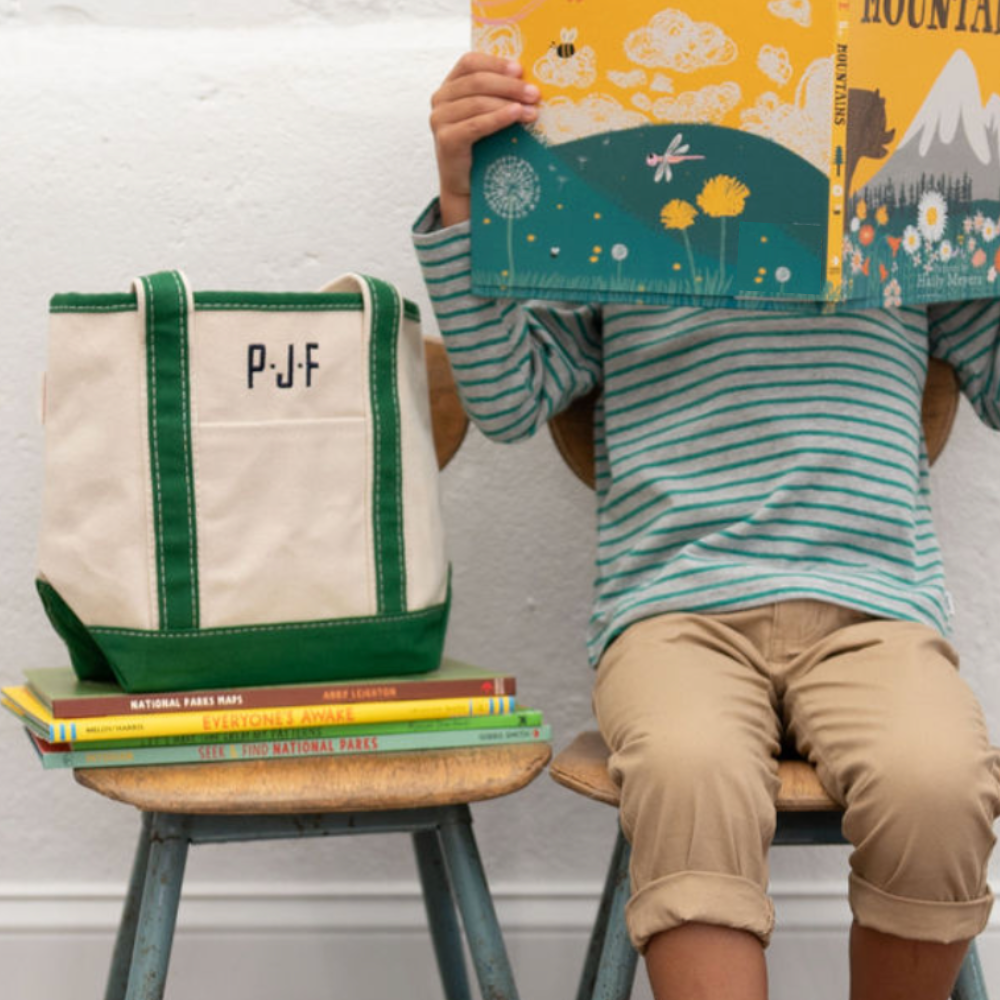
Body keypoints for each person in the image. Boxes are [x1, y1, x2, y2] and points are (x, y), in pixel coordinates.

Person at [413, 51, 1000, 1000]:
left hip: (876, 609)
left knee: (939, 785)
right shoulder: (614, 188)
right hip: (673, 610)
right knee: (687, 774)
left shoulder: (906, 185)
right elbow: (511, 398)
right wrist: (462, 202)